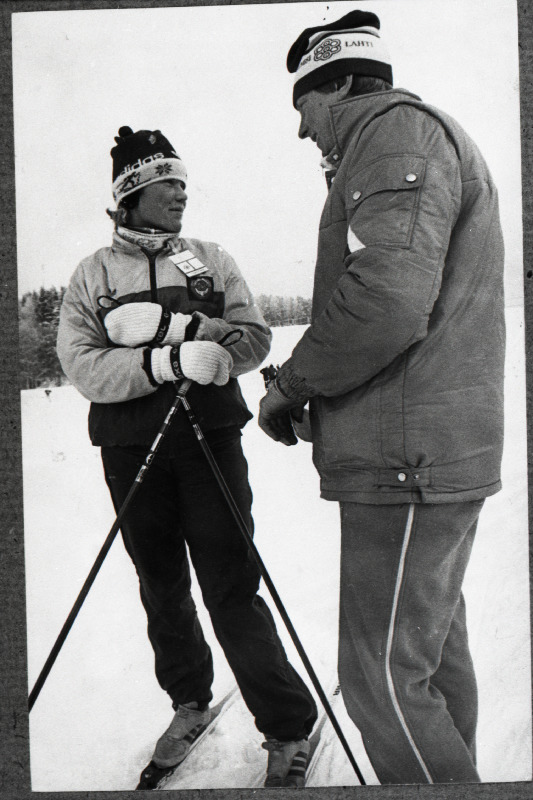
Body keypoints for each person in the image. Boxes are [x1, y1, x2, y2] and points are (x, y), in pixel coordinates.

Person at [258, 9, 505, 785]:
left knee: (380, 678)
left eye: (301, 108)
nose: (302, 133)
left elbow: (387, 300)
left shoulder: (389, 135)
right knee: (425, 659)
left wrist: (291, 386)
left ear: (331, 88)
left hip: (405, 458)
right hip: (427, 450)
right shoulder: (408, 137)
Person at [56, 126, 317, 788]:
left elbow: (254, 341)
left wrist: (191, 330)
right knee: (160, 583)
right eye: (166, 184)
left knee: (230, 584)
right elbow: (83, 367)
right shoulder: (93, 273)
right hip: (128, 448)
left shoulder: (209, 259)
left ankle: (286, 725)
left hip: (208, 443)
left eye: (182, 182)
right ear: (131, 194)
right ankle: (188, 703)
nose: (180, 194)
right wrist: (162, 362)